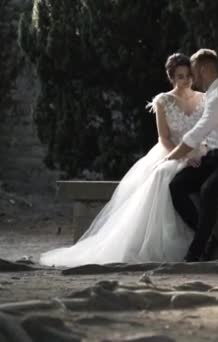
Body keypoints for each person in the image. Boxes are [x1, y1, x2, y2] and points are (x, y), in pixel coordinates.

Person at [39, 53, 207, 267]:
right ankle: (166, 242)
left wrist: (202, 152)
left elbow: (208, 132)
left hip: (200, 151)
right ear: (172, 78)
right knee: (162, 175)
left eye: (188, 76)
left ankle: (201, 239)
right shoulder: (164, 101)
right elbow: (163, 138)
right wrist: (182, 156)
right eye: (180, 76)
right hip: (172, 151)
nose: (186, 81)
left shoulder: (203, 98)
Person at [166, 49, 218, 262]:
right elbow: (205, 138)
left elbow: (196, 133)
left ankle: (196, 252)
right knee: (177, 185)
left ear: (202, 70)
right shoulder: (211, 96)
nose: (191, 77)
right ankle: (208, 238)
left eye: (193, 71)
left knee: (208, 191)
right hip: (213, 159)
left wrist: (170, 157)